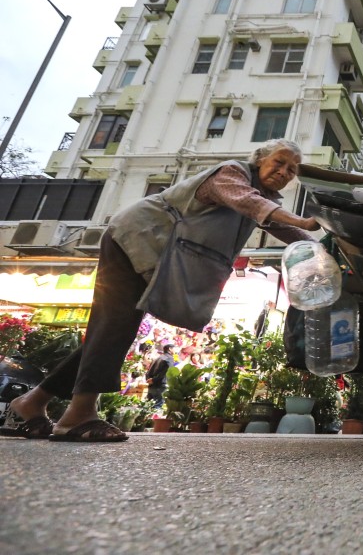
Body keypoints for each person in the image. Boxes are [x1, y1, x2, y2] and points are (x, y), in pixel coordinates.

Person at [4, 139, 320, 442]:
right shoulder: (231, 174)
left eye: (292, 169)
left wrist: (322, 249)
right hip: (133, 239)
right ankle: (78, 415)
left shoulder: (261, 197)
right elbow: (249, 203)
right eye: (279, 162)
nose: (284, 171)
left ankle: (33, 402)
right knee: (114, 325)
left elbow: (281, 227)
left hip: (155, 255)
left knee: (115, 329)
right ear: (260, 159)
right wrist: (303, 221)